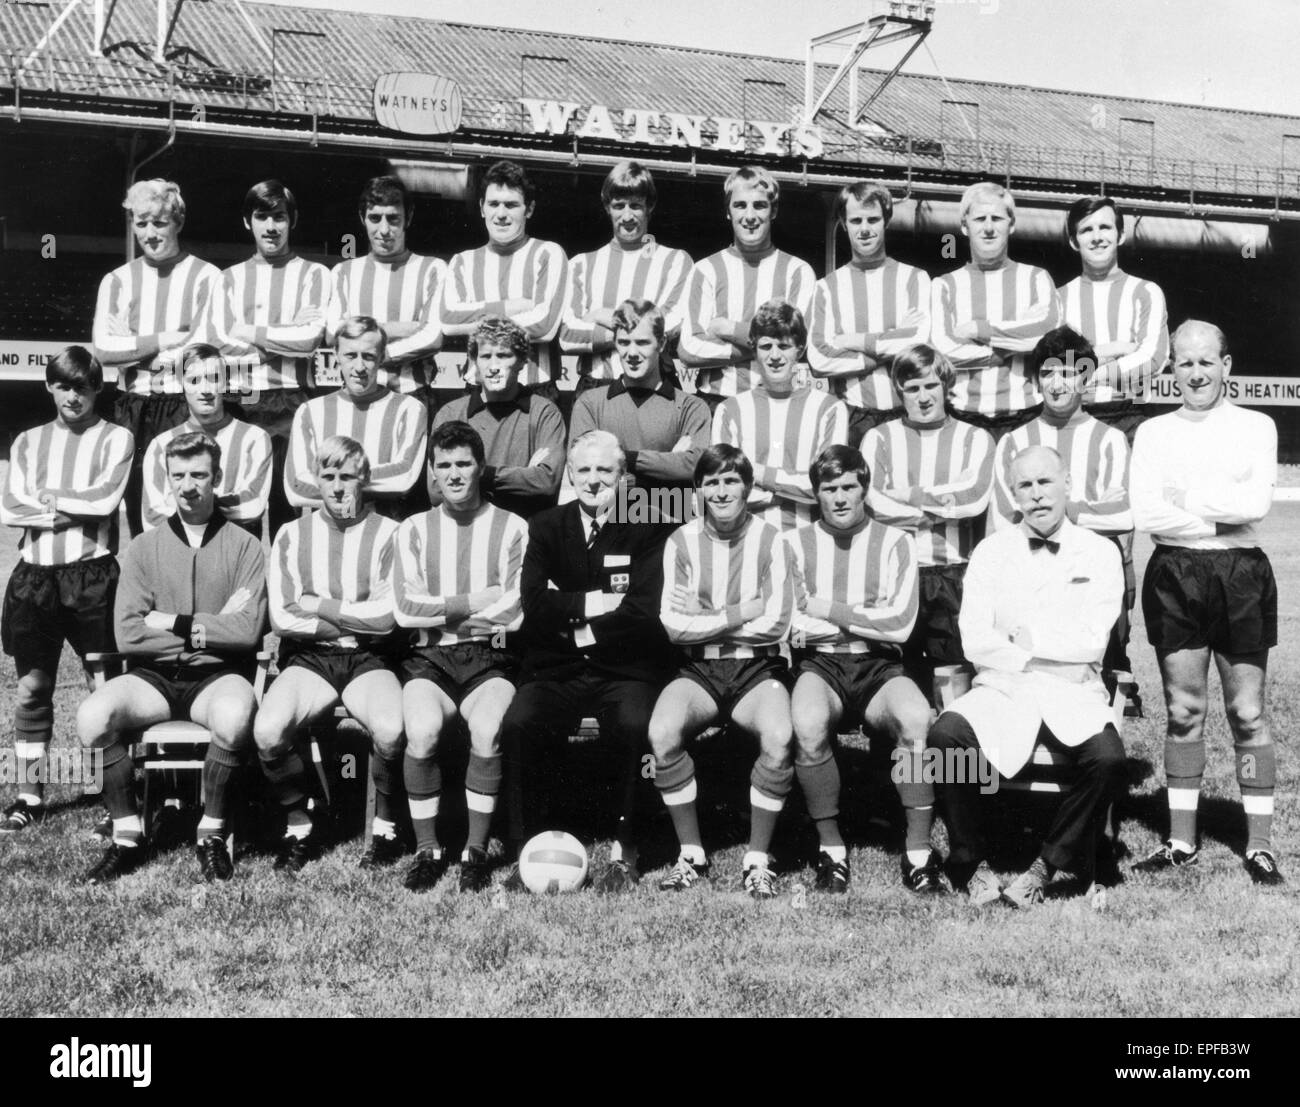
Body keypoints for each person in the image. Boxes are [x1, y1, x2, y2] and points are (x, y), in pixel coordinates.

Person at [929, 446, 1127, 907]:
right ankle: (970, 862)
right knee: (943, 739)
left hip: (1073, 690)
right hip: (1004, 686)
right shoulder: (991, 551)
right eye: (1025, 485)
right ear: (1013, 494)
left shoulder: (1099, 552)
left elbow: (1093, 641)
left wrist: (1026, 638)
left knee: (1109, 760)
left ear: (1066, 485)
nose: (1037, 495)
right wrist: (1031, 655)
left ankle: (1046, 867)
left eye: (1045, 482)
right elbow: (975, 639)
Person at [74, 433, 267, 883]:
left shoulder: (245, 546)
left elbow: (245, 632)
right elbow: (129, 634)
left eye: (199, 474)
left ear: (216, 478)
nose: (188, 485)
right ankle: (126, 835)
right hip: (153, 679)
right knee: (92, 716)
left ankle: (213, 833)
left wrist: (173, 623)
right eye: (178, 475)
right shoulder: (144, 547)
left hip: (217, 677)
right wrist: (208, 630)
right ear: (167, 480)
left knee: (237, 716)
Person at [1129, 320, 1281, 885]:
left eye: (1205, 361)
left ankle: (1259, 844)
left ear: (1227, 365)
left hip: (1240, 571)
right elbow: (1148, 514)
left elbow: (1255, 506)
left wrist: (1186, 498)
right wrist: (1217, 507)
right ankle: (1180, 840)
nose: (1195, 372)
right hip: (1174, 571)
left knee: (1247, 712)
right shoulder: (1153, 433)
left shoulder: (1255, 425)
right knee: (1184, 712)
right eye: (1184, 362)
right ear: (1172, 368)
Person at [499, 430, 676, 891]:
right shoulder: (545, 525)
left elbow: (641, 610)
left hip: (623, 668)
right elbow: (535, 604)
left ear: (623, 477)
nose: (593, 480)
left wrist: (574, 614)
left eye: (605, 470)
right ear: (570, 475)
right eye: (584, 470)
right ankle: (523, 846)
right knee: (519, 722)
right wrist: (600, 604)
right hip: (556, 667)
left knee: (636, 724)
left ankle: (626, 845)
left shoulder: (649, 524)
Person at [787, 445, 936, 893]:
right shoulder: (792, 543)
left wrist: (825, 608)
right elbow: (791, 622)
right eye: (828, 488)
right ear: (816, 494)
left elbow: (900, 626)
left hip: (880, 665)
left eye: (848, 486)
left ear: (864, 488)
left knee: (915, 718)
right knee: (809, 722)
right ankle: (831, 850)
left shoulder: (897, 541)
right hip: (821, 665)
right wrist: (862, 617)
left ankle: (919, 853)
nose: (839, 497)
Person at [649, 444, 796, 898]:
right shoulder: (681, 541)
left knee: (779, 736)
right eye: (711, 482)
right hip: (700, 670)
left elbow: (777, 621)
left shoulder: (772, 539)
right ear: (698, 490)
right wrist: (738, 611)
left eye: (731, 480)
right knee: (662, 732)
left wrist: (708, 614)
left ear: (748, 487)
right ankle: (690, 853)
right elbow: (674, 627)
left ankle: (757, 859)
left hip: (756, 667)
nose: (721, 490)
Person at [255, 436, 403, 872]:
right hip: (310, 657)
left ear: (365, 479)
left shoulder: (390, 534)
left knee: (392, 730)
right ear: (315, 481)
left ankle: (386, 829)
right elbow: (283, 617)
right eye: (328, 476)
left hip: (369, 657)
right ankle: (300, 823)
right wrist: (353, 617)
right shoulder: (290, 534)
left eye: (348, 476)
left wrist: (318, 604)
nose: (338, 487)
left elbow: (388, 618)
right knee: (267, 731)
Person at [392, 421, 528, 892]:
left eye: (463, 464)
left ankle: (474, 851)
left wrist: (445, 613)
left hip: (491, 659)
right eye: (444, 466)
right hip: (429, 660)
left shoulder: (513, 527)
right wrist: (474, 601)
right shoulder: (412, 529)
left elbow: (511, 611)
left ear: (481, 467)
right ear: (431, 471)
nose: (454, 474)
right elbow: (407, 611)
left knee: (488, 731)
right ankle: (427, 850)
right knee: (424, 732)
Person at [1, 348, 132, 834]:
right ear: (49, 387)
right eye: (63, 385)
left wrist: (50, 503)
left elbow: (105, 501)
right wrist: (63, 508)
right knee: (34, 688)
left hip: (92, 576)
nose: (73, 395)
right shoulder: (28, 441)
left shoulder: (117, 437)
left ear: (98, 389)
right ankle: (29, 793)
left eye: (83, 386)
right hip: (34, 577)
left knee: (105, 689)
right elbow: (11, 505)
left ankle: (110, 792)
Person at [990, 327, 1136, 689]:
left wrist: (1050, 511)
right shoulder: (1013, 441)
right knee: (1026, 677)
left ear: (1085, 378)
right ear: (1037, 381)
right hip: (1029, 576)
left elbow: (1121, 514)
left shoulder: (1111, 440)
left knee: (1096, 684)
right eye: (1047, 373)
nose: (1056, 384)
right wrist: (1086, 510)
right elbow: (1003, 519)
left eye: (1068, 373)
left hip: (1092, 578)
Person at [862, 344, 994, 706]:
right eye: (913, 388)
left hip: (953, 572)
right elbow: (874, 502)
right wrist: (936, 509)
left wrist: (908, 494)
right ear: (899, 391)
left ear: (946, 385)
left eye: (931, 386)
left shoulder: (975, 438)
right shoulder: (879, 438)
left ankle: (950, 757)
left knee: (952, 678)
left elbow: (973, 499)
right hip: (897, 572)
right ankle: (894, 761)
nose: (923, 397)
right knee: (896, 675)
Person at [202, 179, 330, 537]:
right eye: (262, 217)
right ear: (248, 222)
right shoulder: (227, 280)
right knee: (240, 509)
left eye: (279, 217)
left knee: (287, 507)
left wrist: (250, 331)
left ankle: (284, 588)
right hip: (243, 398)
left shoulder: (314, 275)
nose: (271, 227)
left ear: (293, 220)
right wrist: (283, 334)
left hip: (293, 397)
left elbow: (308, 341)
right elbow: (218, 344)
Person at [93, 179, 220, 536]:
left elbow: (200, 353)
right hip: (130, 406)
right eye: (141, 222)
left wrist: (132, 345)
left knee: (186, 505)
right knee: (137, 509)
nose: (149, 233)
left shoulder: (206, 277)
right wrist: (167, 336)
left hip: (183, 403)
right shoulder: (116, 280)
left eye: (159, 223)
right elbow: (103, 350)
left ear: (178, 222)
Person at [678, 166, 816, 411]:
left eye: (760, 206)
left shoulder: (798, 271)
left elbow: (798, 342)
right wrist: (770, 345)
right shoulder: (705, 270)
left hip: (779, 403)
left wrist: (727, 328)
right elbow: (689, 350)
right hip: (717, 401)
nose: (750, 216)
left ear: (773, 211)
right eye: (740, 205)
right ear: (728, 212)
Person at [808, 179, 932, 447]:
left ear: (885, 221)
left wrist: (852, 341)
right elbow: (819, 358)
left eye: (873, 220)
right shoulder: (826, 288)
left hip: (908, 411)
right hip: (853, 415)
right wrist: (884, 352)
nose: (864, 229)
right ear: (843, 223)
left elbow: (918, 341)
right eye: (856, 221)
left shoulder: (914, 278)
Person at [931, 182, 1060, 438]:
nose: (989, 228)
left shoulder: (1035, 278)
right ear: (965, 226)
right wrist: (1009, 348)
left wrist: (978, 329)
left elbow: (1045, 334)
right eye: (980, 219)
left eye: (997, 218)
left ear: (1011, 225)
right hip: (963, 415)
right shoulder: (944, 285)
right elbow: (944, 350)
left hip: (1025, 413)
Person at [713, 300, 848, 532]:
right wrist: (786, 494)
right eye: (766, 346)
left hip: (810, 539)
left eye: (784, 346)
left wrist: (760, 474)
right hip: (746, 540)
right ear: (754, 350)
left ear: (800, 350)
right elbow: (722, 489)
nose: (774, 356)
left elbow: (828, 485)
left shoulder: (830, 409)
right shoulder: (729, 411)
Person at [440, 160, 568, 402]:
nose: (500, 214)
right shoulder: (462, 262)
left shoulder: (548, 254)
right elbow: (448, 321)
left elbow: (544, 326)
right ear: (481, 208)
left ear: (528, 209)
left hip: (535, 390)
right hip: (478, 388)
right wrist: (510, 306)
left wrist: (477, 318)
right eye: (493, 204)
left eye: (511, 205)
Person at [560, 160, 693, 392]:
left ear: (649, 206)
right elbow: (568, 336)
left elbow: (670, 328)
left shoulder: (675, 262)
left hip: (655, 385)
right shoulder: (580, 265)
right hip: (596, 385)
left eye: (636, 205)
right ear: (607, 207)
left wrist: (604, 316)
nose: (628, 215)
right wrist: (641, 335)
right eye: (619, 205)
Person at [567, 298, 711, 509]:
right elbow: (581, 473)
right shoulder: (590, 403)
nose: (632, 353)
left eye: (642, 342)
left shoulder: (692, 407)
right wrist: (668, 464)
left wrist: (620, 460)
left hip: (668, 524)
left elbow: (694, 467)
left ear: (661, 343)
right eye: (624, 342)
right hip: (610, 523)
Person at [285, 316, 427, 518]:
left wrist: (330, 478)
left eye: (368, 356)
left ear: (382, 356)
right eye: (351, 355)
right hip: (327, 535)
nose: (359, 367)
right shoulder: (310, 411)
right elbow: (297, 488)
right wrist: (365, 485)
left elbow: (404, 477)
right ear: (336, 355)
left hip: (384, 532)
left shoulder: (409, 408)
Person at [428, 316, 565, 519]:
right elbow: (436, 491)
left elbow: (546, 483)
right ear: (475, 361)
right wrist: (521, 476)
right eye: (485, 357)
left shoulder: (544, 412)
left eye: (503, 355)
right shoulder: (450, 413)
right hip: (466, 527)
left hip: (524, 528)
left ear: (521, 362)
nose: (493, 366)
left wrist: (474, 473)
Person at [327, 175, 447, 407]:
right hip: (356, 396)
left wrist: (365, 347)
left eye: (393, 219)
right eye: (375, 218)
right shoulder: (343, 272)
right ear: (362, 218)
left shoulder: (432, 268)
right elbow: (334, 333)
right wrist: (403, 328)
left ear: (408, 218)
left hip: (413, 395)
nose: (384, 229)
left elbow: (432, 337)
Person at [1057, 196, 1169, 442]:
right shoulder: (1057, 299)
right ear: (1074, 242)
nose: (1097, 237)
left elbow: (1153, 359)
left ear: (1120, 235)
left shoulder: (1146, 292)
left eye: (1105, 227)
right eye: (1086, 230)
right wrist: (1116, 349)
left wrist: (1085, 372)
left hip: (1132, 416)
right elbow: (1056, 368)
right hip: (1074, 416)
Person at [141, 344, 272, 534]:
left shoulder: (255, 439)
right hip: (180, 557)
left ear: (226, 382)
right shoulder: (161, 444)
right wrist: (225, 502)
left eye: (214, 379)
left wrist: (183, 500)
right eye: (194, 380)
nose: (205, 389)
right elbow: (152, 517)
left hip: (233, 556)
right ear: (181, 383)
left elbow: (252, 506)